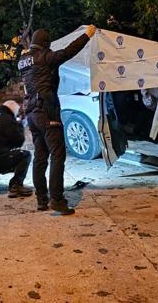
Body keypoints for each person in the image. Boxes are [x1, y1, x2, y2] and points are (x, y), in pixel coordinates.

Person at [19, 25, 96, 215]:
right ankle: (57, 200)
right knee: (57, 156)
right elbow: (68, 52)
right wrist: (87, 35)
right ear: (45, 44)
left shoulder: (23, 60)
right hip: (47, 112)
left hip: (31, 113)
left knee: (40, 157)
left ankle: (41, 200)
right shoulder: (45, 57)